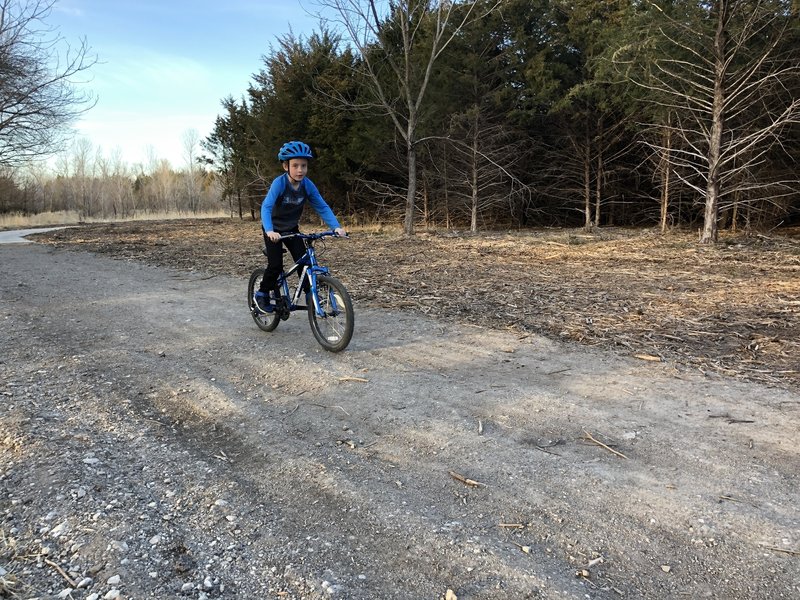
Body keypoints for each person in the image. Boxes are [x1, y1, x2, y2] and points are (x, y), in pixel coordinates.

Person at [255, 140, 346, 313]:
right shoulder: (279, 183)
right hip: (273, 228)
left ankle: (310, 294)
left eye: (303, 166)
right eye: (295, 165)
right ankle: (262, 294)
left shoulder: (307, 185)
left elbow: (322, 206)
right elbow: (266, 207)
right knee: (275, 265)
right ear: (285, 166)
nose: (300, 170)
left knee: (305, 262)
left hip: (291, 229)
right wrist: (269, 231)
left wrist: (336, 227)